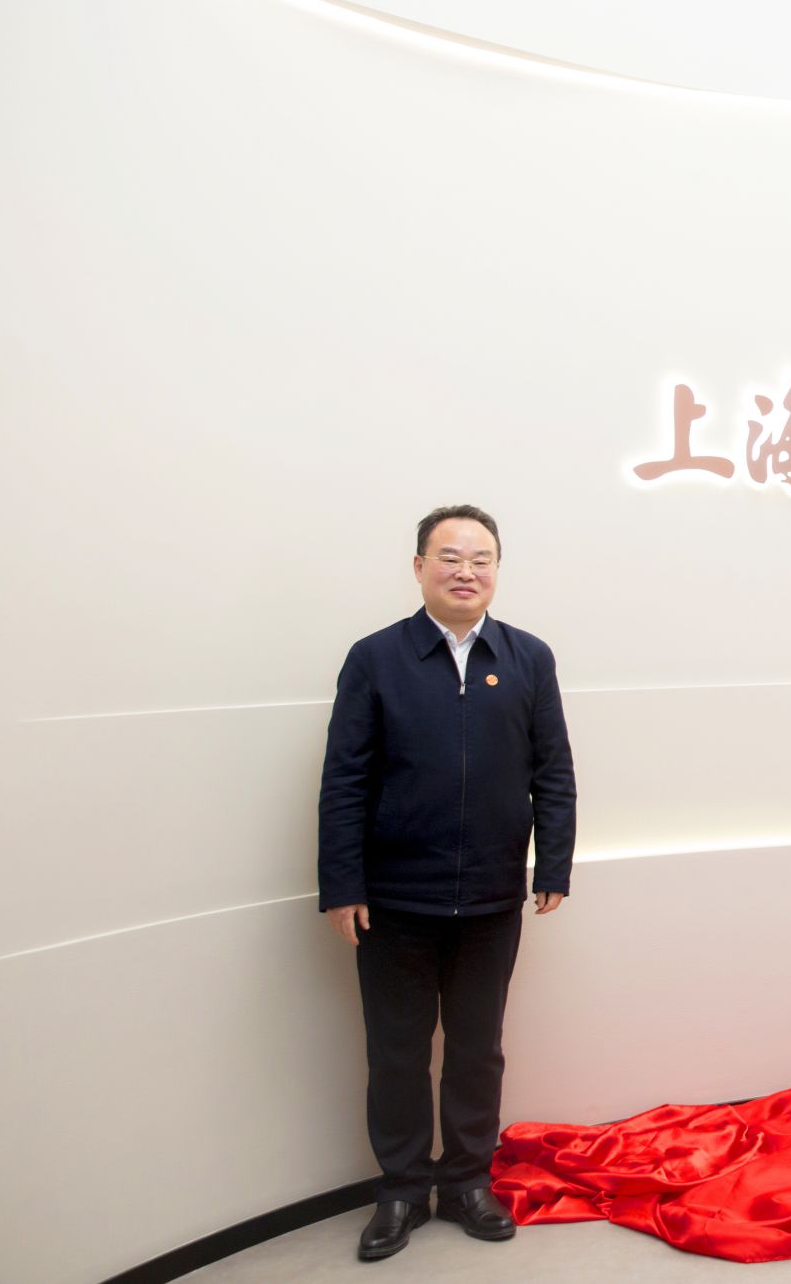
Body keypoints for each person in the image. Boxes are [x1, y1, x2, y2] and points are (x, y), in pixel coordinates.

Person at [318, 505, 576, 1261]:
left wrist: (552, 864)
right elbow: (344, 779)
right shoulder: (376, 658)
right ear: (420, 566)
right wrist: (342, 883)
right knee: (396, 1051)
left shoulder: (528, 657)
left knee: (476, 1049)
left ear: (497, 569)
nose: (466, 571)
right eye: (450, 556)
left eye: (481, 558)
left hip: (492, 898)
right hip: (394, 901)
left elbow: (553, 770)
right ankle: (401, 1187)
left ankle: (466, 1179)